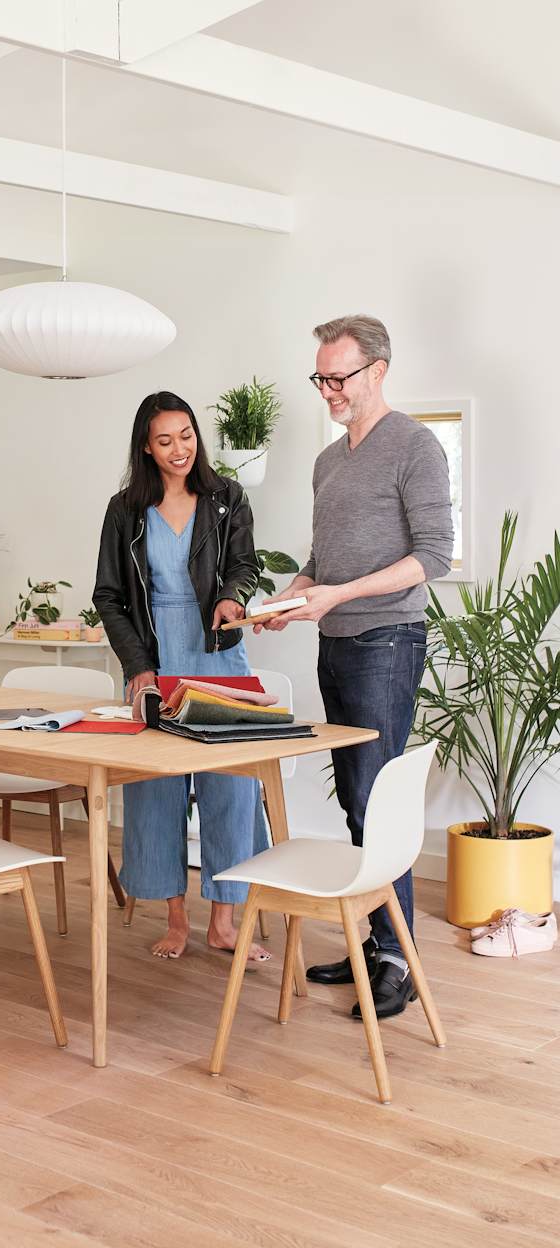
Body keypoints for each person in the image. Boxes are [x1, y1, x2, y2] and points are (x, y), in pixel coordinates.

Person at [258, 315, 453, 1018]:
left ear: (377, 371)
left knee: (377, 799)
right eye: (321, 378)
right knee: (352, 799)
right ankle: (375, 941)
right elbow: (321, 562)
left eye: (338, 378)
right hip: (334, 642)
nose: (328, 390)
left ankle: (398, 956)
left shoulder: (416, 447)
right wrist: (288, 599)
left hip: (387, 641)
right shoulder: (328, 461)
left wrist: (339, 593)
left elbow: (432, 554)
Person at [93, 391, 271, 960]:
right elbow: (109, 595)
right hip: (156, 655)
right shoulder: (124, 511)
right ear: (146, 447)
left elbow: (245, 563)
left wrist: (231, 598)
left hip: (217, 652)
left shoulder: (226, 497)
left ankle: (223, 921)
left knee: (232, 790)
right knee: (158, 789)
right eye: (165, 440)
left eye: (187, 435)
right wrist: (138, 665)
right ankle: (176, 920)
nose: (179, 449)